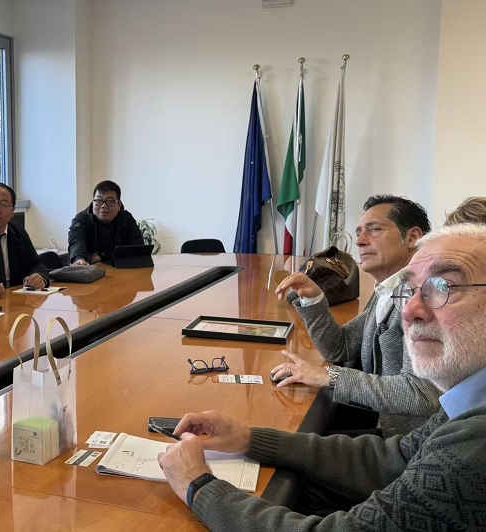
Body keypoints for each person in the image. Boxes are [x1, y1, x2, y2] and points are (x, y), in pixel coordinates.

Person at [158, 223, 486, 529]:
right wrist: (249, 438)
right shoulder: (466, 399)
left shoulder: (473, 446)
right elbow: (395, 458)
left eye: (445, 286)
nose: (410, 310)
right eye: (411, 290)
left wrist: (198, 486)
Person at [273, 195, 440, 437]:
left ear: (413, 237)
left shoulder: (425, 299)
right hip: (387, 425)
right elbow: (340, 347)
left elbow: (421, 394)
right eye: (359, 232)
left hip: (415, 442)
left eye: (375, 230)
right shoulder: (390, 289)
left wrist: (328, 376)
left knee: (284, 442)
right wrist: (313, 298)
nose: (360, 241)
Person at [68, 180, 144, 265]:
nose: (103, 206)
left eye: (110, 201)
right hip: (90, 269)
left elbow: (139, 249)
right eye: (98, 201)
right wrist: (79, 259)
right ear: (93, 203)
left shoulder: (126, 218)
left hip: (120, 269)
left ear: (119, 205)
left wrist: (102, 255)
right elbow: (76, 242)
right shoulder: (81, 219)